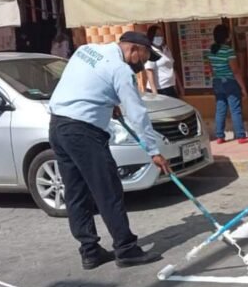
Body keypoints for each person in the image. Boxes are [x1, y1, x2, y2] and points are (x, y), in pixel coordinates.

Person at [48, 31, 170, 270]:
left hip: (58, 126)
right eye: (144, 57)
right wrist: (154, 151)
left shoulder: (87, 50)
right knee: (108, 190)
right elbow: (137, 114)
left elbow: (84, 80)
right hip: (83, 132)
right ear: (134, 50)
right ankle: (126, 249)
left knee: (76, 192)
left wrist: (108, 101)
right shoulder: (121, 70)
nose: (143, 64)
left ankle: (89, 251)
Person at [207, 24, 248, 144]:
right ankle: (240, 136)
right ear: (226, 36)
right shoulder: (228, 50)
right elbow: (235, 71)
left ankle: (219, 136)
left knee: (220, 109)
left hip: (217, 82)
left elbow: (211, 69)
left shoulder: (210, 51)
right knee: (235, 109)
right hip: (229, 82)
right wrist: (243, 88)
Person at [144, 25, 184, 98]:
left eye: (161, 35)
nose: (159, 37)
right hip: (159, 89)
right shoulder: (150, 51)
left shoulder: (166, 49)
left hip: (170, 87)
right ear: (151, 36)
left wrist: (179, 86)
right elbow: (149, 73)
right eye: (156, 35)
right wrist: (155, 93)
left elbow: (172, 68)